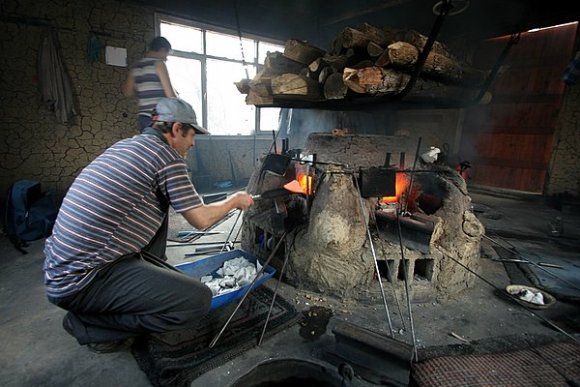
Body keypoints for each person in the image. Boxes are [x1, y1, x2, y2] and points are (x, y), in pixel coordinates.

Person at [43, 97, 254, 353]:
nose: (193, 142)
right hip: (84, 279)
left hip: (63, 270)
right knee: (197, 300)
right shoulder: (166, 156)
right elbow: (201, 219)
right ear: (176, 129)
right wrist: (234, 200)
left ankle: (113, 301)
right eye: (191, 134)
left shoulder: (128, 146)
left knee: (162, 214)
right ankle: (90, 324)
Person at [122, 36, 178, 131]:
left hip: (143, 117)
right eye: (166, 55)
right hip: (158, 116)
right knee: (161, 145)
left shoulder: (136, 66)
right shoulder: (158, 64)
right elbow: (170, 96)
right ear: (162, 50)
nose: (166, 59)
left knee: (148, 145)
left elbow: (127, 92)